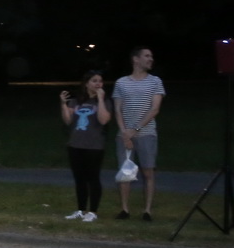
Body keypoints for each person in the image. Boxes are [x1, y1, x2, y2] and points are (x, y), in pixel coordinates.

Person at [113, 46, 164, 221]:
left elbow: (155, 109)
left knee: (148, 172)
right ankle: (124, 209)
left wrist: (135, 129)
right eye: (147, 56)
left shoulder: (155, 81)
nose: (151, 59)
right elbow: (118, 110)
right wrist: (124, 133)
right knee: (125, 173)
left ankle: (147, 210)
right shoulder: (121, 83)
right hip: (124, 135)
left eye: (151, 56)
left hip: (146, 134)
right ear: (136, 59)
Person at [60, 71, 112, 222]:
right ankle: (80, 209)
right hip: (76, 144)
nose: (98, 84)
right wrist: (63, 104)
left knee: (93, 178)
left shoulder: (105, 101)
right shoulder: (76, 101)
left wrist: (100, 99)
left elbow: (104, 120)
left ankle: (93, 211)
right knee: (79, 178)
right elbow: (68, 120)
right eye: (94, 81)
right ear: (86, 83)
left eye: (100, 81)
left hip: (94, 146)